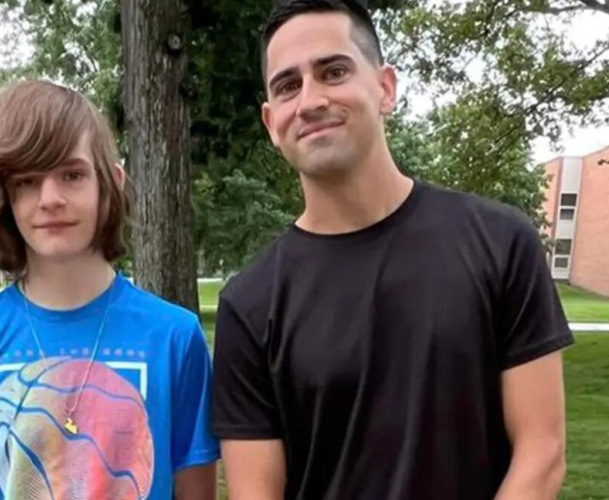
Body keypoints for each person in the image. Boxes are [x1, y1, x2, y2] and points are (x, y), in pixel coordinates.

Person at [211, 1, 573, 499]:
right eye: (288, 85)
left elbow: (542, 451)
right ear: (272, 122)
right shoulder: (248, 306)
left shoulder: (501, 242)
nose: (310, 100)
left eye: (333, 72)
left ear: (385, 88)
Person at [0, 79, 219, 500]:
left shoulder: (175, 338)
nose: (50, 198)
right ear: (4, 195)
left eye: (72, 175)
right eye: (27, 180)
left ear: (112, 182)